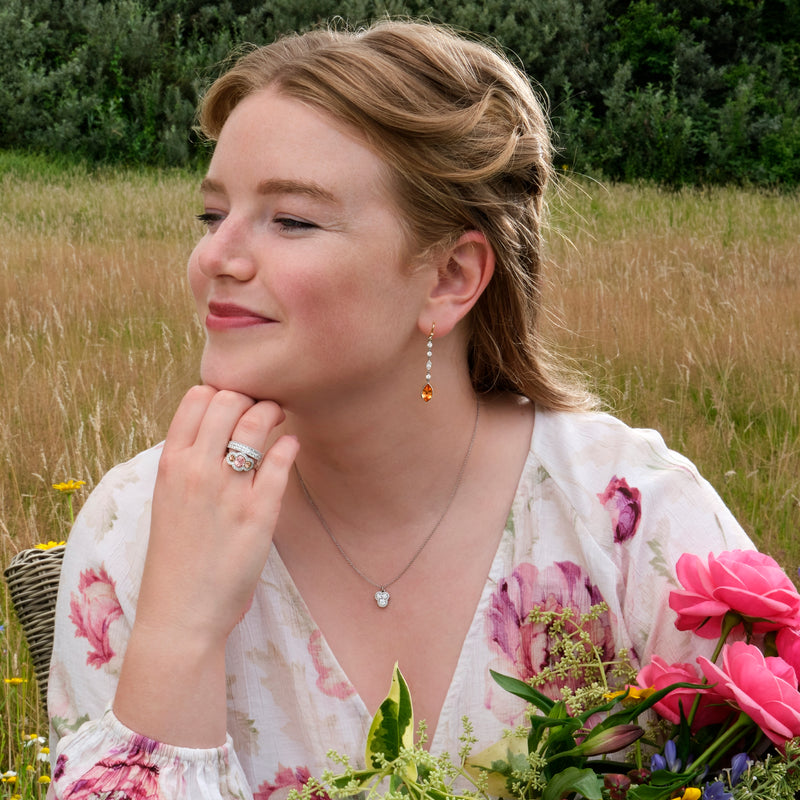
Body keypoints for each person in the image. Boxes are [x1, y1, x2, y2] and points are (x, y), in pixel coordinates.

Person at [46, 19, 754, 800]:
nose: (215, 257)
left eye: (291, 220)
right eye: (213, 215)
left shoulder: (632, 520)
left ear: (450, 276)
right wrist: (180, 626)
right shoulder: (136, 527)